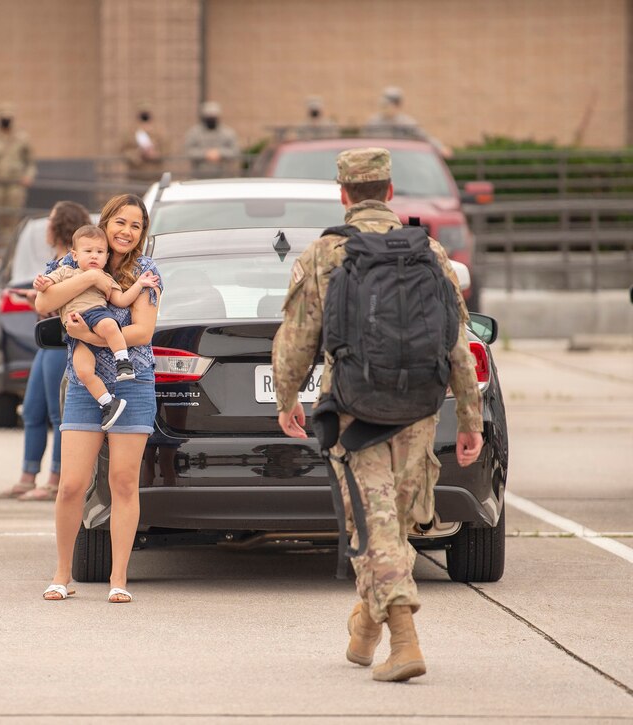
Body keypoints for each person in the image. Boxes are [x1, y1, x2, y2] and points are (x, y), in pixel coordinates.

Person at [272, 148, 483, 682]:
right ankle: (366, 627)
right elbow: (457, 342)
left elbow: (296, 339)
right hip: (419, 408)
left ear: (344, 194)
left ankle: (405, 641)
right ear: (390, 191)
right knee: (395, 525)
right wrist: (470, 419)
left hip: (355, 412)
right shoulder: (429, 250)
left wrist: (287, 398)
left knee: (375, 526)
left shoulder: (325, 253)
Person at [34, 194, 163, 604]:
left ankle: (118, 578)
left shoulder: (145, 272)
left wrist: (87, 335)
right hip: (84, 385)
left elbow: (142, 332)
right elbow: (43, 302)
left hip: (132, 382)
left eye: (136, 226)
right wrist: (92, 278)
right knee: (71, 484)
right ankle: (62, 574)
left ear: (142, 233)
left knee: (122, 483)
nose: (126, 231)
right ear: (105, 223)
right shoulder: (75, 260)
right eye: (120, 222)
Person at [0, 201, 93, 502]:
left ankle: (55, 480)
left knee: (58, 414)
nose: (47, 227)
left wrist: (41, 298)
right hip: (46, 341)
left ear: (60, 226)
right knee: (32, 409)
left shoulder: (73, 262)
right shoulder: (57, 260)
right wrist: (36, 297)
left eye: (51, 220)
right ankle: (27, 477)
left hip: (61, 343)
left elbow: (68, 301)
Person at [35, 225, 158, 429]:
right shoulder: (65, 271)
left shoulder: (105, 277)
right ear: (74, 255)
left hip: (96, 314)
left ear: (106, 257)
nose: (94, 256)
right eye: (88, 251)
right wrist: (41, 283)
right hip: (76, 327)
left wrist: (139, 284)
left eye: (100, 252)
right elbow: (47, 285)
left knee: (110, 326)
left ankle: (123, 362)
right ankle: (108, 403)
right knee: (83, 371)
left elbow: (121, 300)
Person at [0, 102, 36, 240]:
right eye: (3, 117)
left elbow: (30, 161)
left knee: (13, 214)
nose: (5, 120)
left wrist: (28, 175)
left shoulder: (22, 137)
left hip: (15, 183)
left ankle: (12, 245)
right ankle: (0, 245)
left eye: (8, 117)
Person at [364, 86, 450, 156]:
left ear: (398, 105)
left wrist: (440, 147)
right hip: (379, 159)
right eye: (384, 105)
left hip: (401, 157)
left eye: (391, 104)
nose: (387, 108)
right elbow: (364, 142)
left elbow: (424, 136)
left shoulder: (406, 122)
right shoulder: (373, 122)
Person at [183, 100, 239, 178]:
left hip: (223, 176)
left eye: (213, 117)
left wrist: (220, 153)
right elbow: (188, 151)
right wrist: (205, 154)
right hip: (200, 176)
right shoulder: (194, 133)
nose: (211, 119)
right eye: (209, 117)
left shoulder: (228, 133)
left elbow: (235, 151)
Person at [119, 102, 167, 184]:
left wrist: (156, 154)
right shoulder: (130, 132)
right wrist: (137, 154)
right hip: (137, 175)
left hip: (155, 175)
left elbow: (166, 149)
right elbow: (124, 151)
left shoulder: (159, 131)